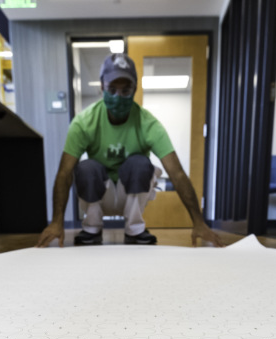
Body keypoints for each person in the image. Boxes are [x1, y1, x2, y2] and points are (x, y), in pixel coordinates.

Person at [36, 53, 223, 248]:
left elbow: (176, 173)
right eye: (112, 89)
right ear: (101, 87)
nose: (118, 96)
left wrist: (199, 223)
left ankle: (135, 229)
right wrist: (57, 222)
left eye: (126, 90)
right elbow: (64, 173)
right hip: (100, 194)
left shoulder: (149, 124)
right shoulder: (83, 123)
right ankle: (91, 228)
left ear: (135, 89)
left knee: (141, 164)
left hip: (131, 194)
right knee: (85, 168)